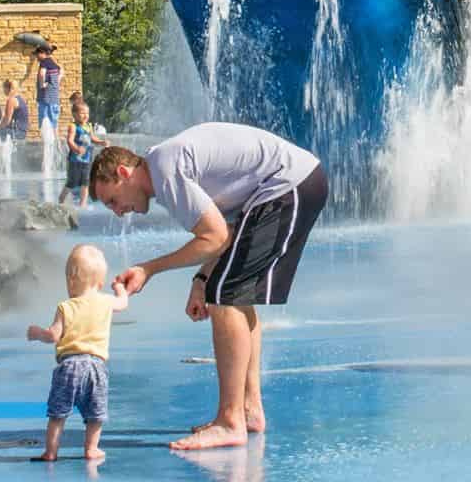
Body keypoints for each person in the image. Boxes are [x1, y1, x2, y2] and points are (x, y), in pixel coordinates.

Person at [93, 123, 329, 451]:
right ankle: (248, 410)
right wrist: (202, 280)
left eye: (113, 200)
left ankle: (229, 422)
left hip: (288, 185)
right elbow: (225, 232)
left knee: (226, 297)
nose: (119, 212)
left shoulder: (164, 168)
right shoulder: (166, 167)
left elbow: (215, 237)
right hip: (296, 182)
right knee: (232, 292)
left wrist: (149, 269)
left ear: (123, 172)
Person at [25, 242, 129, 463]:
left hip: (69, 366)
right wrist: (120, 288)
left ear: (70, 280)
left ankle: (51, 452)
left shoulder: (66, 307)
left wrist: (36, 333)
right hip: (96, 367)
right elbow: (123, 303)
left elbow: (53, 335)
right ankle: (91, 448)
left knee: (57, 414)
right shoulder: (105, 301)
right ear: (100, 282)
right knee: (95, 414)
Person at [58, 94, 102, 206]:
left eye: (87, 113)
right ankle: (61, 200)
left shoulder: (89, 126)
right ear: (75, 114)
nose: (85, 115)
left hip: (87, 160)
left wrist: (101, 142)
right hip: (74, 161)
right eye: (82, 113)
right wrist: (76, 148)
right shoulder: (73, 126)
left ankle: (82, 205)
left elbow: (93, 138)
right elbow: (70, 140)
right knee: (72, 183)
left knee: (85, 183)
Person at [33, 44, 63, 134]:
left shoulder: (44, 62)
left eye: (37, 54)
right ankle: (57, 145)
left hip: (45, 99)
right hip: (55, 99)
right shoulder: (54, 64)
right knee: (54, 124)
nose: (36, 57)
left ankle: (47, 146)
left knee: (45, 124)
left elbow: (42, 74)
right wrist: (56, 82)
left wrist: (42, 85)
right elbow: (61, 71)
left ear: (42, 53)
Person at [0, 77, 29, 145]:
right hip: (22, 131)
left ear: (9, 89)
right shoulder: (20, 99)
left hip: (15, 132)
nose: (4, 91)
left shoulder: (11, 100)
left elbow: (7, 120)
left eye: (4, 88)